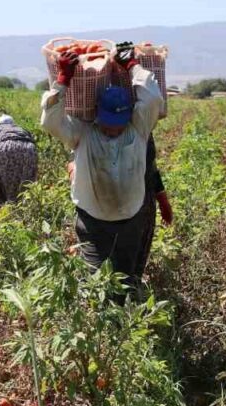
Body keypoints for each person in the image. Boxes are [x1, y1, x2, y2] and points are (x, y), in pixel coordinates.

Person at [41, 42, 163, 293]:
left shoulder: (139, 128)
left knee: (125, 277)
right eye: (108, 122)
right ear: (98, 113)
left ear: (128, 114)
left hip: (130, 218)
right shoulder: (82, 132)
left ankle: (124, 324)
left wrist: (132, 65)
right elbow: (51, 122)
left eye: (118, 123)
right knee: (95, 279)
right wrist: (63, 79)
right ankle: (100, 324)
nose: (113, 128)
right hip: (92, 220)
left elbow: (151, 97)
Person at [135, 136, 174, 275]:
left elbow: (150, 164)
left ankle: (134, 290)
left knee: (135, 261)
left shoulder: (142, 125)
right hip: (104, 207)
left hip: (141, 201)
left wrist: (163, 200)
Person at [0, 114, 39, 205]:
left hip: (8, 145)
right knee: (26, 178)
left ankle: (1, 201)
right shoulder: (20, 128)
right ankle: (23, 204)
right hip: (30, 148)